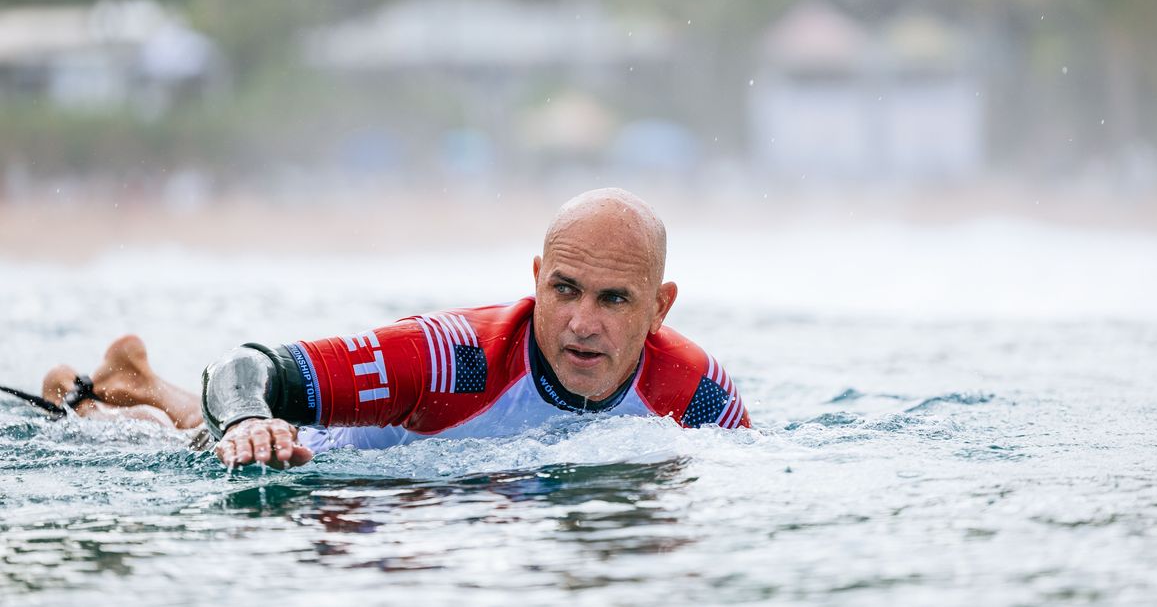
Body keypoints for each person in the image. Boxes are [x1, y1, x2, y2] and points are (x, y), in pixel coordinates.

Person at [32, 188, 750, 469]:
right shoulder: (448, 357)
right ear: (536, 278)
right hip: (331, 468)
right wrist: (250, 419)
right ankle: (104, 397)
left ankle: (137, 378)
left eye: (615, 300)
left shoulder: (700, 397)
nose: (581, 323)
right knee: (231, 443)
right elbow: (247, 370)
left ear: (661, 308)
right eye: (563, 289)